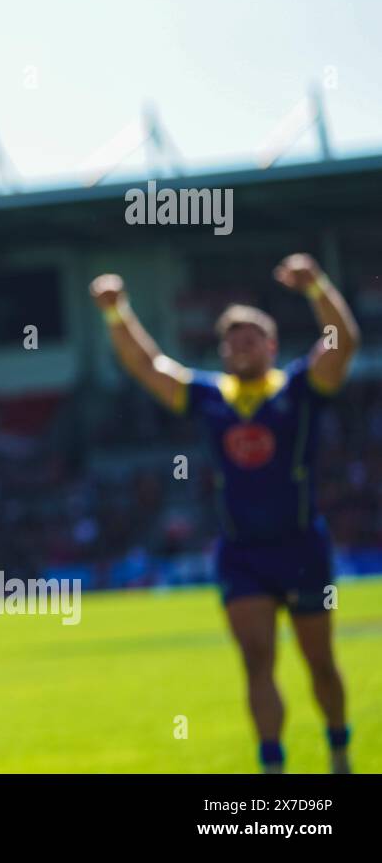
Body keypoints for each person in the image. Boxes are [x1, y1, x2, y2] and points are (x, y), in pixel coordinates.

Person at [90, 254, 359, 773]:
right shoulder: (210, 397)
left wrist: (317, 285)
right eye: (231, 340)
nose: (239, 345)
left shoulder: (301, 389)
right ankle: (273, 767)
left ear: (272, 346)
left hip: (303, 546)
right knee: (257, 661)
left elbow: (344, 341)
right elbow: (147, 365)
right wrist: (115, 311)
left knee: (320, 664)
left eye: (251, 337)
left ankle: (339, 749)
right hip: (242, 554)